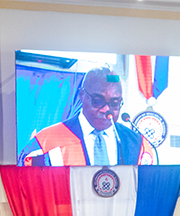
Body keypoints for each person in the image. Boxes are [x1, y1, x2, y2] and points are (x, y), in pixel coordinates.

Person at [19, 66, 158, 167]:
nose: (106, 109)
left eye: (115, 103)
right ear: (82, 95)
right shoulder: (47, 142)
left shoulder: (138, 145)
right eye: (98, 101)